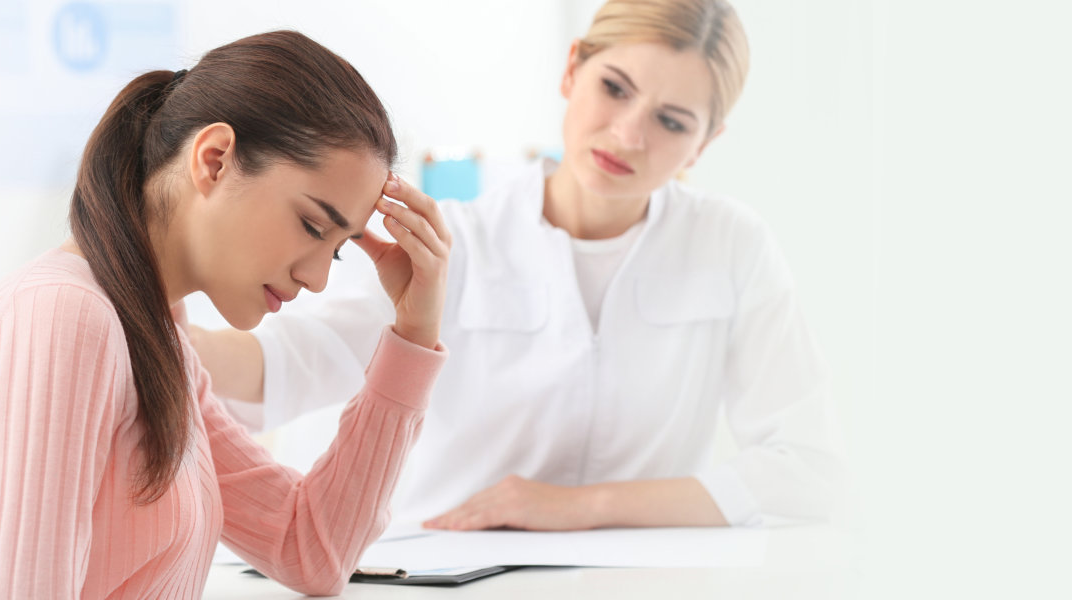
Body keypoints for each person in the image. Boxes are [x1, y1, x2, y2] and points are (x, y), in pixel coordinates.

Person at [189, 0, 842, 531]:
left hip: (639, 580)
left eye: (671, 121)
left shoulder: (732, 246)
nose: (628, 134)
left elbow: (808, 469)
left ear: (706, 143)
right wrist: (148, 321)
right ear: (571, 71)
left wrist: (580, 508)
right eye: (615, 89)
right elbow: (290, 366)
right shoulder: (464, 242)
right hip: (452, 568)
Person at [0, 30, 456, 598]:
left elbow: (310, 548)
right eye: (312, 227)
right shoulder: (65, 317)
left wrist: (414, 333)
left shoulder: (153, 336)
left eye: (338, 248)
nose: (316, 278)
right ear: (215, 159)